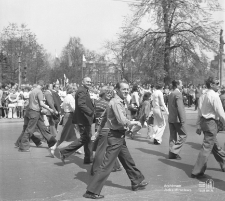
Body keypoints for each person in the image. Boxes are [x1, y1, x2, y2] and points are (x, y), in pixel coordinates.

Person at [83, 81, 148, 199]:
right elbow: (122, 121)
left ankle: (137, 180)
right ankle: (92, 191)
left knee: (127, 160)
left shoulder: (112, 101)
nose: (126, 91)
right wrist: (135, 122)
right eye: (124, 89)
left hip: (118, 136)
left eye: (127, 89)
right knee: (106, 165)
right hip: (116, 136)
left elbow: (103, 118)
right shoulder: (116, 102)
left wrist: (97, 132)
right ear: (117, 90)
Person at [191, 77, 225, 177]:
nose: (218, 85)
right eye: (217, 83)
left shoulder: (203, 95)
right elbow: (220, 112)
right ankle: (197, 170)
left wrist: (198, 125)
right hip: (211, 123)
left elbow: (200, 112)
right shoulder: (214, 96)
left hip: (204, 123)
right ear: (211, 85)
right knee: (206, 148)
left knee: (215, 146)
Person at [59, 77, 95, 165]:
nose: (89, 83)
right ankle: (64, 152)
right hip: (83, 119)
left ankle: (88, 158)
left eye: (90, 82)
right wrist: (91, 113)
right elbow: (81, 104)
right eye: (87, 81)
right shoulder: (82, 91)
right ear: (82, 82)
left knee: (87, 139)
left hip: (84, 118)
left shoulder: (84, 90)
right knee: (84, 138)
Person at [18, 80, 57, 152]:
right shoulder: (39, 92)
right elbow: (41, 103)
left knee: (43, 128)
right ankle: (23, 146)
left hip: (33, 111)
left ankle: (52, 142)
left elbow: (34, 102)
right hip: (35, 112)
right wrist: (50, 109)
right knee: (30, 129)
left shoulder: (32, 91)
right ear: (43, 85)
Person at [91, 86, 122, 175]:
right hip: (105, 128)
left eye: (111, 93)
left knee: (111, 147)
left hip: (100, 127)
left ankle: (116, 165)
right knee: (101, 149)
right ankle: (96, 169)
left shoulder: (97, 102)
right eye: (108, 92)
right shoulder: (106, 103)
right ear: (103, 93)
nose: (110, 94)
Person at [50, 87, 81, 156]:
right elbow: (74, 108)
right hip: (70, 116)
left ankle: (77, 148)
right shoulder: (70, 98)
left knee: (74, 133)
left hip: (68, 115)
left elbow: (62, 106)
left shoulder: (67, 97)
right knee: (65, 134)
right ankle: (54, 147)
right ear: (73, 91)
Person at [168, 80, 187, 160]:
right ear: (177, 85)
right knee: (183, 135)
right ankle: (174, 151)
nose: (182, 85)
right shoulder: (178, 94)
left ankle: (172, 153)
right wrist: (182, 119)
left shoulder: (171, 93)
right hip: (177, 119)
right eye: (181, 84)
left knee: (172, 136)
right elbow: (180, 108)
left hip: (171, 118)